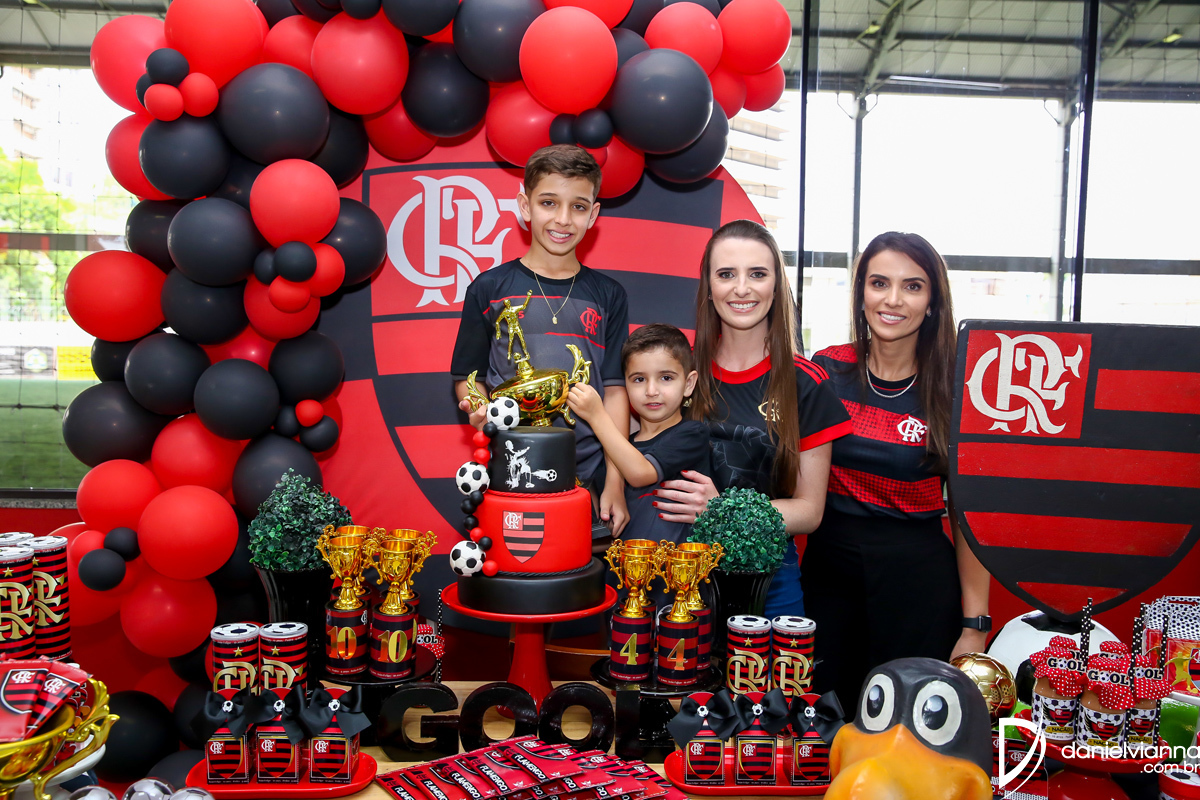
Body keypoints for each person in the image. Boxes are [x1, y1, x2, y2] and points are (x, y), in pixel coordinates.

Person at [805, 231, 992, 708]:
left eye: (912, 286)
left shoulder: (955, 386)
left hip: (918, 583)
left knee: (906, 728)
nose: (893, 299)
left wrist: (975, 625)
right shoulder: (827, 369)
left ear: (932, 302)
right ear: (861, 293)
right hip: (828, 576)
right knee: (824, 724)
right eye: (879, 283)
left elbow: (969, 516)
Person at [654, 220, 852, 617]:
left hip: (770, 581)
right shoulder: (678, 374)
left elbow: (809, 511)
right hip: (679, 572)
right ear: (708, 287)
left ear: (776, 286)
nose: (741, 288)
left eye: (757, 274)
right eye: (726, 274)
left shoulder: (805, 383)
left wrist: (722, 510)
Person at [450, 145, 631, 536]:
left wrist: (615, 482)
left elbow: (615, 391)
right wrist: (479, 409)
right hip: (508, 466)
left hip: (589, 473)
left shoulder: (609, 295)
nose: (563, 219)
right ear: (525, 206)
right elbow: (467, 377)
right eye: (549, 202)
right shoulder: (488, 288)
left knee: (583, 569)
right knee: (512, 564)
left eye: (578, 206)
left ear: (593, 215)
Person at [567, 323, 711, 546]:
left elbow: (640, 473)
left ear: (688, 384)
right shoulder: (614, 453)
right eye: (639, 379)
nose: (651, 391)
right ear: (625, 385)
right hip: (622, 568)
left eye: (666, 378)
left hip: (678, 567)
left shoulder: (692, 434)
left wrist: (597, 415)